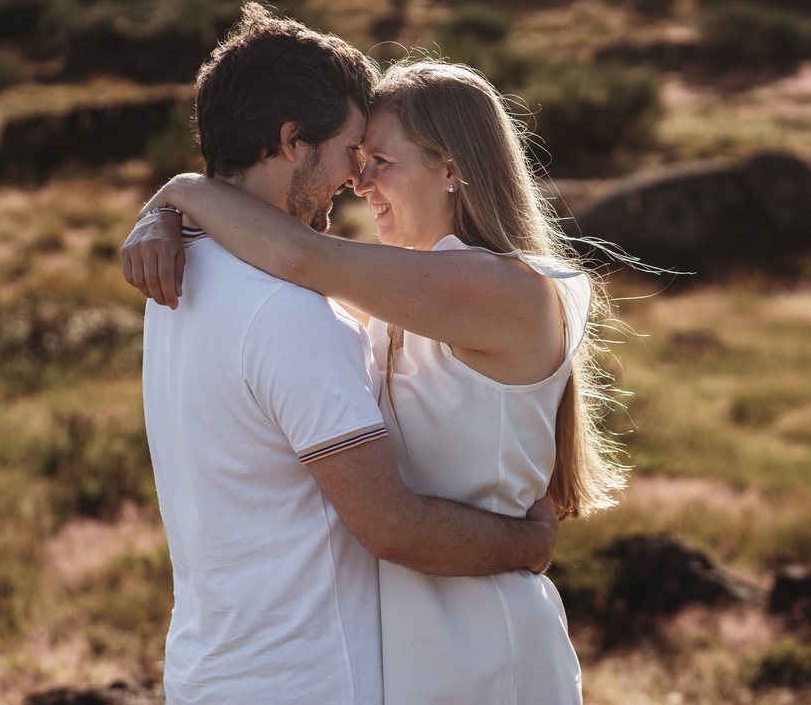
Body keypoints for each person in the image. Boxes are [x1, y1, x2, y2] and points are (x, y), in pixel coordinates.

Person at [125, 52, 626, 704]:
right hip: (408, 653)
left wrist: (182, 191)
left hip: (483, 648)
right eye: (357, 162)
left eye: (380, 163)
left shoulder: (504, 288)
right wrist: (162, 214)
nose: (360, 184)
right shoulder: (404, 297)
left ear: (451, 168)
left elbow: (300, 257)